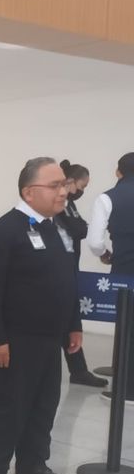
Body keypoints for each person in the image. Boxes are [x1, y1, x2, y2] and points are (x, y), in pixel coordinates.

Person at [0, 158, 82, 474]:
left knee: (43, 404)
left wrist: (73, 324)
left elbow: (68, 280)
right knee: (8, 406)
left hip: (50, 338)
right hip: (15, 340)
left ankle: (33, 463)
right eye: (54, 186)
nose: (63, 192)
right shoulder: (4, 232)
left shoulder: (58, 228)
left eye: (63, 184)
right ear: (28, 191)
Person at [87, 151, 134, 405]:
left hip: (125, 270)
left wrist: (105, 254)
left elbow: (95, 241)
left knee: (127, 325)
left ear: (118, 172)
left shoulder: (108, 197)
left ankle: (127, 389)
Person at [59, 160, 106, 388]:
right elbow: (78, 229)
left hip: (70, 267)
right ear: (70, 181)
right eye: (82, 185)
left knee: (70, 322)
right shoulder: (59, 203)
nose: (82, 191)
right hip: (59, 270)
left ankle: (78, 370)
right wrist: (79, 226)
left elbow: (80, 229)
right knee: (65, 321)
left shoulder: (69, 204)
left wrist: (80, 226)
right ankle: (78, 370)